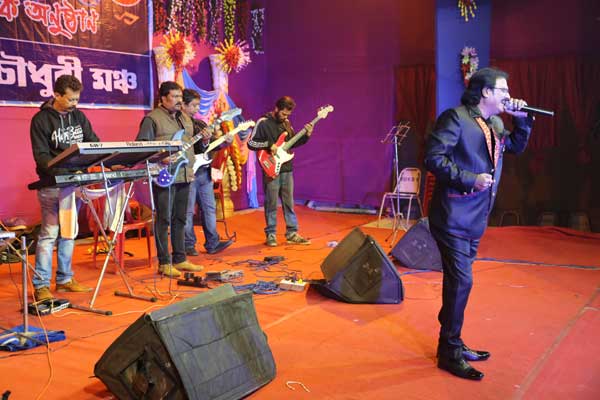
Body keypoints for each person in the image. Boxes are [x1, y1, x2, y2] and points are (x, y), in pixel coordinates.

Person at [424, 67, 534, 380]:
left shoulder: (495, 123)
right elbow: (433, 158)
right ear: (485, 92)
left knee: (457, 283)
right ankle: (449, 351)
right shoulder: (455, 118)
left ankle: (452, 340)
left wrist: (522, 120)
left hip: (475, 216)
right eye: (503, 90)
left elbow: (514, 147)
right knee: (462, 282)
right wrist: (469, 179)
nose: (508, 95)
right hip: (452, 215)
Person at [30, 75, 97, 301]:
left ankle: (65, 279)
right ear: (56, 95)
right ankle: (41, 285)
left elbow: (93, 142)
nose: (74, 103)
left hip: (74, 184)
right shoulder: (40, 120)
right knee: (49, 234)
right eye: (70, 99)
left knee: (69, 232)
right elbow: (42, 158)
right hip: (52, 185)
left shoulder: (79, 116)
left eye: (77, 99)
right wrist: (65, 172)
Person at [136, 81, 204, 278]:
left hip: (184, 174)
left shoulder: (184, 118)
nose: (179, 100)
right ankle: (164, 263)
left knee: (181, 218)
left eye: (180, 97)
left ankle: (180, 258)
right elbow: (141, 147)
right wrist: (160, 157)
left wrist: (206, 139)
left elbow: (192, 146)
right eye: (174, 97)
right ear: (163, 98)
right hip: (163, 175)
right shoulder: (152, 119)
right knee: (164, 219)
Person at [248, 96, 313, 247]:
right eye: (283, 114)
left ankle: (292, 233)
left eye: (288, 115)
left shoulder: (286, 123)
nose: (285, 117)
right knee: (271, 203)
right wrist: (269, 144)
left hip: (287, 168)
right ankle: (271, 234)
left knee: (289, 203)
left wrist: (307, 136)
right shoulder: (263, 122)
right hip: (270, 168)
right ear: (276, 109)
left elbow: (292, 143)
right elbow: (251, 143)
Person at [181, 89, 233, 256]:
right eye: (193, 105)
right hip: (187, 172)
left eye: (198, 105)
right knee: (187, 211)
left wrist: (224, 142)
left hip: (204, 172)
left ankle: (213, 243)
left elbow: (211, 146)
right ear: (183, 105)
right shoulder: (177, 126)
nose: (197, 109)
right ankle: (188, 245)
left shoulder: (201, 124)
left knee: (209, 208)